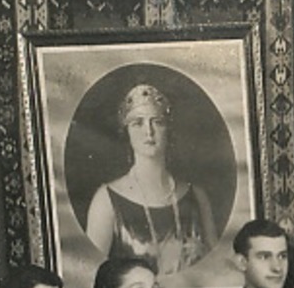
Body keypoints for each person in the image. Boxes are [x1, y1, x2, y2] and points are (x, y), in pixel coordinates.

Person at [84, 83, 217, 273]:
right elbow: (90, 274)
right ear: (127, 131)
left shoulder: (196, 196)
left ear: (168, 129)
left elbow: (219, 271)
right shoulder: (106, 199)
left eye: (157, 121)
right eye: (138, 123)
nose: (149, 131)